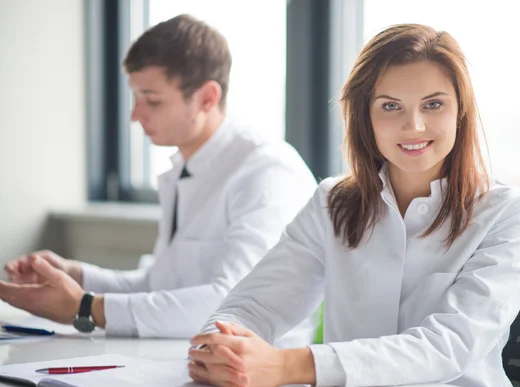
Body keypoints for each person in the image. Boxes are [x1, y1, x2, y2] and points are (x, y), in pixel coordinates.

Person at [186, 23, 520, 387]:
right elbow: (253, 306)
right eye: (390, 106)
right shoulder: (331, 201)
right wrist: (219, 348)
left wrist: (289, 365)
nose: (414, 126)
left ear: (461, 111)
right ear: (364, 117)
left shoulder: (509, 213)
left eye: (433, 104)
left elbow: (447, 346)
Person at [0, 14, 318, 347]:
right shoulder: (187, 166)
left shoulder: (267, 174)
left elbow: (232, 307)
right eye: (136, 98)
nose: (136, 116)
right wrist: (75, 276)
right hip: (184, 356)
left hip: (256, 378)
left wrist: (85, 307)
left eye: (152, 100)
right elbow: (161, 285)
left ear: (208, 98)